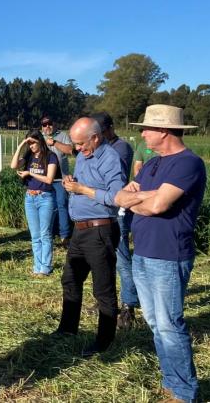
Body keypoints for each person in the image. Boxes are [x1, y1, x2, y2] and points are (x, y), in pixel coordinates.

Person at [115, 104, 206, 403]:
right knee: (155, 323)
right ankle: (171, 380)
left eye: (146, 128)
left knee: (169, 325)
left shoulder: (188, 163)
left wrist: (137, 200)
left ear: (164, 131)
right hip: (142, 251)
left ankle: (184, 392)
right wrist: (142, 197)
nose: (141, 133)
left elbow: (156, 206)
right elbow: (129, 194)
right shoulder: (153, 164)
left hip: (169, 254)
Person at [54, 117, 125, 357]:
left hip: (100, 230)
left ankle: (104, 342)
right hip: (80, 230)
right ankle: (67, 329)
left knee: (103, 289)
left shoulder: (110, 158)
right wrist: (70, 182)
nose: (78, 149)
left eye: (81, 144)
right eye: (75, 144)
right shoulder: (85, 157)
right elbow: (82, 184)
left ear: (95, 137)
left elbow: (116, 196)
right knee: (70, 279)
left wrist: (82, 190)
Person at [91, 111, 139, 328]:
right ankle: (106, 301)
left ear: (109, 129)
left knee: (121, 259)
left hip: (116, 210)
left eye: (99, 133)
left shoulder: (121, 148)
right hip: (99, 209)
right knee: (103, 258)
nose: (96, 138)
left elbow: (105, 175)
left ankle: (129, 305)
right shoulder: (101, 148)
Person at [11, 130, 58, 275]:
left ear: (40, 141)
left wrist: (30, 173)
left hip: (45, 197)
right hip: (29, 198)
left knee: (45, 234)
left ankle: (46, 267)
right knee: (35, 235)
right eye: (28, 143)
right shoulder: (28, 156)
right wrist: (21, 146)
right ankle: (37, 266)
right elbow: (13, 165)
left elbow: (49, 179)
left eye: (32, 142)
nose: (30, 146)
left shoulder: (51, 156)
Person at [41, 116, 74, 244]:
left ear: (54, 124)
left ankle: (65, 236)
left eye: (49, 124)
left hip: (61, 178)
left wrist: (54, 143)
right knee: (49, 206)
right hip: (45, 179)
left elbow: (70, 150)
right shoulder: (40, 138)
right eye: (44, 125)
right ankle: (51, 233)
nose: (47, 126)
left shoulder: (62, 135)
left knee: (62, 204)